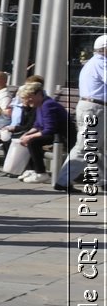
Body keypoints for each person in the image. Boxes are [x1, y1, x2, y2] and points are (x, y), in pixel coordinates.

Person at [57, 35, 107, 191]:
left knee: (99, 146)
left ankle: (103, 179)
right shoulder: (102, 63)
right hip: (95, 108)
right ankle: (63, 181)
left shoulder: (94, 62)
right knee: (86, 145)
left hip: (93, 107)